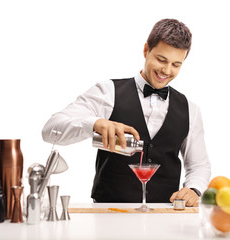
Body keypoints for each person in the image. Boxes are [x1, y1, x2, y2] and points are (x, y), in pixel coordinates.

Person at [42, 18, 211, 207]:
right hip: (108, 213)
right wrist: (94, 123)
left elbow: (198, 165)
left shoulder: (190, 109)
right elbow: (50, 130)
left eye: (176, 64)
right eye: (161, 60)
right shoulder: (107, 92)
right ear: (146, 50)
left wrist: (194, 189)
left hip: (165, 215)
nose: (166, 70)